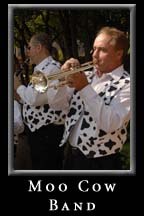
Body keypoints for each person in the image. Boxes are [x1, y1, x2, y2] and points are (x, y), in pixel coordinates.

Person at [51, 26, 130, 170]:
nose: (95, 54)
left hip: (101, 161)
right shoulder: (86, 76)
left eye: (103, 50)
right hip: (72, 156)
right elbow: (57, 106)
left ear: (119, 54)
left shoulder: (128, 85)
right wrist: (61, 80)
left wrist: (84, 88)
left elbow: (110, 124)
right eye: (94, 49)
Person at [14, 32, 67, 170]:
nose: (28, 52)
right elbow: (34, 97)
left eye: (29, 48)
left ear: (39, 48)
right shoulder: (42, 68)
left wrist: (18, 86)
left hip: (46, 133)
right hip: (40, 132)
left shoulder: (49, 68)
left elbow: (33, 99)